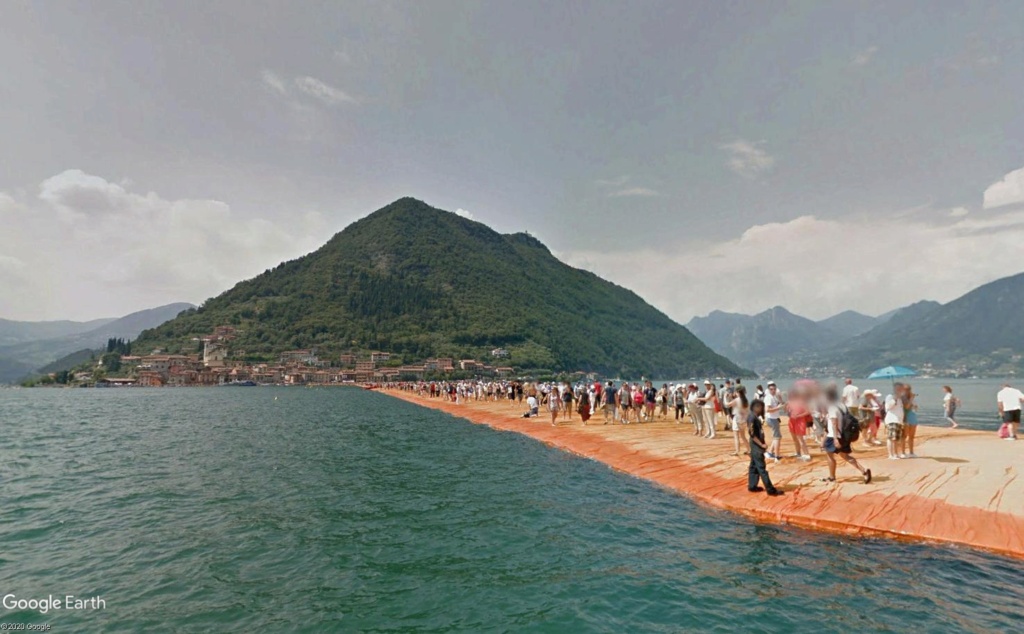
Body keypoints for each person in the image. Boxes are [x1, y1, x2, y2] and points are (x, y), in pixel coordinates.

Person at [823, 385, 872, 484]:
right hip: (845, 435)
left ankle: (832, 477)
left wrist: (836, 439)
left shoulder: (832, 407)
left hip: (834, 436)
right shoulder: (842, 405)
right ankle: (864, 471)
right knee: (846, 456)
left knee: (829, 456)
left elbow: (834, 423)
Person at [747, 399, 782, 496]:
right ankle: (770, 490)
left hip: (756, 445)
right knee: (761, 468)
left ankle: (752, 486)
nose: (762, 410)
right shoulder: (751, 418)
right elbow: (752, 434)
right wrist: (761, 444)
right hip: (756, 446)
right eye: (761, 408)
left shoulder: (754, 417)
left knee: (754, 466)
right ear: (756, 407)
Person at [785, 388, 812, 461]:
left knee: (800, 439)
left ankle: (806, 454)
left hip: (800, 421)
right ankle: (798, 452)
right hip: (791, 421)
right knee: (794, 438)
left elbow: (808, 411)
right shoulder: (790, 402)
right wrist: (786, 407)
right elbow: (787, 412)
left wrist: (798, 416)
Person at [725, 385, 751, 456]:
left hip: (737, 420)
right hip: (744, 420)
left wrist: (725, 397)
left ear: (737, 392)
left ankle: (737, 451)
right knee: (743, 436)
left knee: (736, 436)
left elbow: (727, 405)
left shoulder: (737, 400)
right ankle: (749, 449)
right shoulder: (746, 400)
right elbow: (748, 412)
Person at [763, 381, 783, 461]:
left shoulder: (773, 396)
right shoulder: (768, 397)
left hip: (774, 418)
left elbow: (779, 403)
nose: (773, 390)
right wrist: (778, 408)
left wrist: (780, 404)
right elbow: (767, 409)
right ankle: (776, 456)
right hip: (772, 419)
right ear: (768, 389)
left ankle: (770, 452)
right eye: (771, 389)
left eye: (774, 389)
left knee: (776, 437)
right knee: (777, 437)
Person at [885, 383, 906, 459]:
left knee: (896, 438)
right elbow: (888, 407)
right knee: (892, 437)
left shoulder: (900, 398)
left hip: (898, 420)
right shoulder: (890, 396)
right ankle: (891, 454)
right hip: (892, 419)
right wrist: (894, 399)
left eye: (901, 389)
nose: (900, 390)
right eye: (899, 389)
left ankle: (896, 454)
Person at [903, 384, 920, 457]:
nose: (908, 391)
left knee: (912, 436)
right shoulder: (902, 398)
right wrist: (911, 399)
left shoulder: (912, 398)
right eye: (906, 390)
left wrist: (914, 404)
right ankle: (903, 452)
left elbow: (916, 408)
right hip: (905, 417)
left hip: (912, 416)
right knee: (904, 436)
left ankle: (911, 452)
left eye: (909, 389)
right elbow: (906, 407)